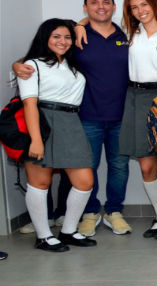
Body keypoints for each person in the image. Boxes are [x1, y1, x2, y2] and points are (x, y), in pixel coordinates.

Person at [14, 0, 131, 238]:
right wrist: (18, 65)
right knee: (64, 175)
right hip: (83, 118)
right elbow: (38, 63)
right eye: (94, 2)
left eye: (106, 2)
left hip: (116, 116)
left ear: (113, 5)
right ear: (85, 7)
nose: (101, 6)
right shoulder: (78, 37)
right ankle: (83, 217)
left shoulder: (126, 34)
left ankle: (112, 212)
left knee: (116, 167)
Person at [104, 0, 157, 237]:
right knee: (146, 163)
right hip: (136, 98)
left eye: (144, 5)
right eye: (134, 7)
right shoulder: (130, 35)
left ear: (154, 4)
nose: (140, 11)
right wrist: (82, 23)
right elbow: (96, 24)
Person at [17, 18, 97, 251]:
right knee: (40, 183)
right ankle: (43, 236)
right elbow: (29, 104)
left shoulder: (71, 64)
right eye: (56, 36)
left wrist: (81, 24)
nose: (63, 41)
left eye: (67, 37)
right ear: (45, 38)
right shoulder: (32, 65)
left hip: (71, 122)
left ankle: (69, 231)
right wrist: (36, 139)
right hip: (43, 122)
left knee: (85, 182)